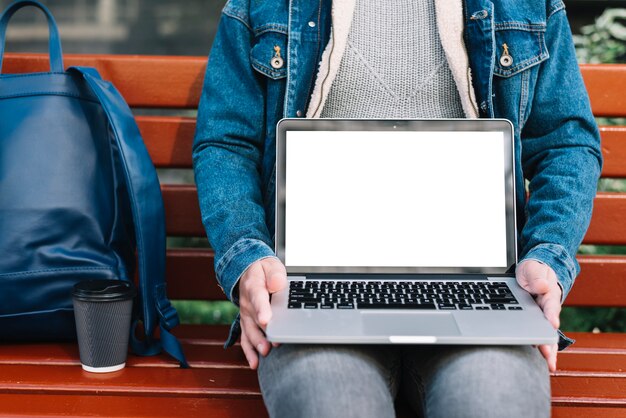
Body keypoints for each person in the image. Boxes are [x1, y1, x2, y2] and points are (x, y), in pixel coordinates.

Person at [192, 0, 602, 416]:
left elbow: (565, 144)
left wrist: (547, 255)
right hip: (312, 290)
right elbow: (227, 144)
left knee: (493, 404)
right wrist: (248, 256)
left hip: (478, 288)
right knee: (330, 406)